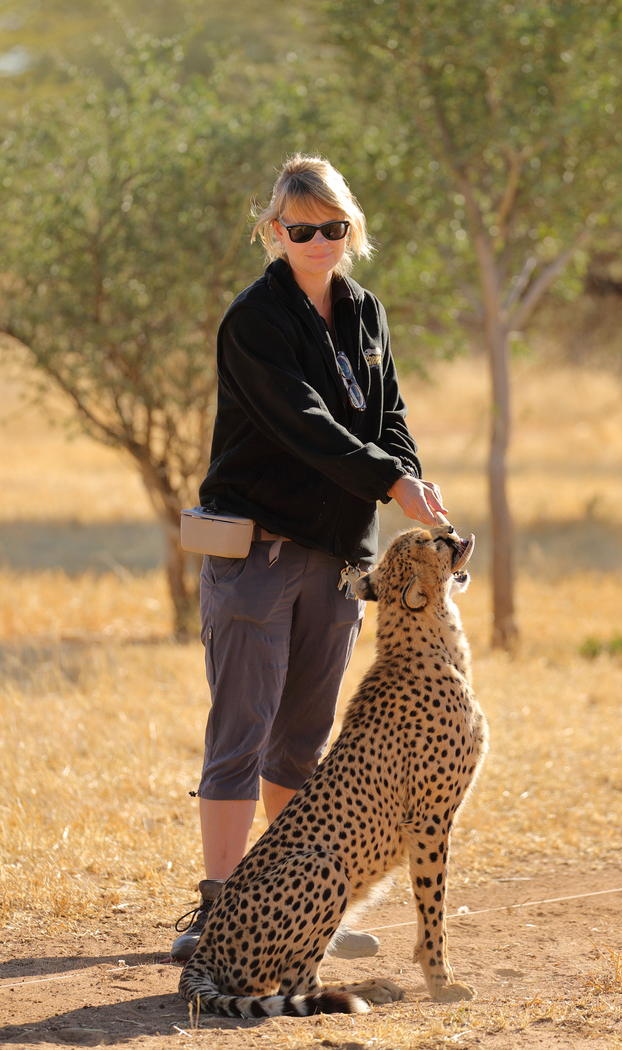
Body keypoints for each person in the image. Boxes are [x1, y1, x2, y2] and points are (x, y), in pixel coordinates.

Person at [170, 154, 447, 962]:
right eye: (302, 229)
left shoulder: (366, 312)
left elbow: (387, 412)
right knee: (242, 732)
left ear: (350, 228)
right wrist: (388, 479)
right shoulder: (256, 319)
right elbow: (306, 422)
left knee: (302, 742)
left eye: (333, 226)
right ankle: (219, 910)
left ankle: (299, 903)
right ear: (274, 233)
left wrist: (408, 473)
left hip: (336, 556)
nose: (319, 240)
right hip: (258, 551)